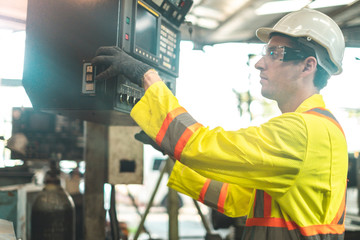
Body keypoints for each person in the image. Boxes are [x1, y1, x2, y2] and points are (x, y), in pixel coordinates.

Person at [92, 8, 348, 240]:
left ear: (307, 66)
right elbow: (237, 198)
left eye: (274, 53)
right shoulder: (320, 130)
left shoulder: (302, 131)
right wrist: (172, 149)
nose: (260, 63)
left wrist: (147, 76)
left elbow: (199, 145)